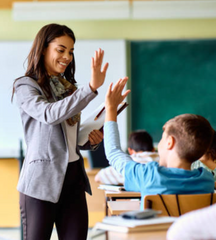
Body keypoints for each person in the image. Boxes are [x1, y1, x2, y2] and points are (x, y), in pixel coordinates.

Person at [12, 23, 108, 240]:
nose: (67, 57)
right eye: (61, 49)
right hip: (40, 182)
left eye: (71, 52)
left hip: (73, 177)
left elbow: (67, 136)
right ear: (43, 48)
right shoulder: (26, 86)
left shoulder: (68, 88)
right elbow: (49, 115)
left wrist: (89, 140)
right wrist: (90, 88)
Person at [103, 77, 215, 210]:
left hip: (156, 231)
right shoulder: (206, 180)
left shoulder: (150, 175)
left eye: (162, 138)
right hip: (192, 231)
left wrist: (111, 109)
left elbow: (114, 153)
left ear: (169, 142)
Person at [94, 130, 159, 185]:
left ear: (130, 151)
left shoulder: (129, 163)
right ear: (153, 149)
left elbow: (98, 178)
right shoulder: (164, 160)